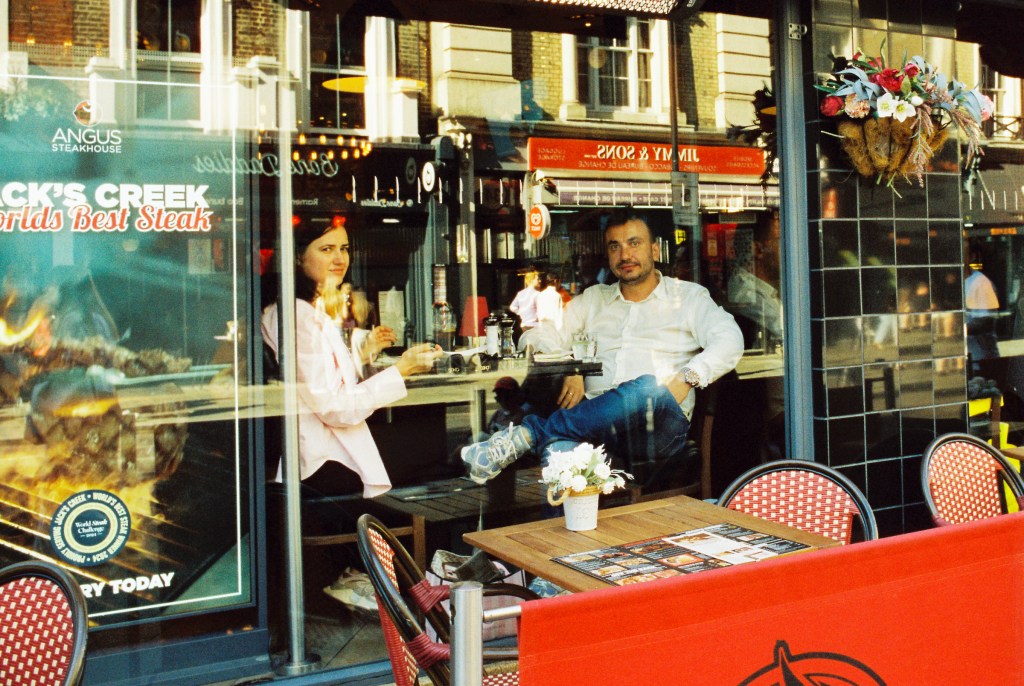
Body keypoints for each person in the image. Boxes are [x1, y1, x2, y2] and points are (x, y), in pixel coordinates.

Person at [462, 209, 744, 484]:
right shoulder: (594, 300)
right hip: (596, 426)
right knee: (560, 455)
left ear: (655, 251)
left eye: (634, 243)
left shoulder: (687, 298)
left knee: (648, 386)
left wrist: (688, 377)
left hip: (657, 428)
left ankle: (528, 435)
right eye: (615, 246)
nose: (625, 255)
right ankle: (562, 529)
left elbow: (730, 339)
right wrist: (571, 365)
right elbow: (538, 335)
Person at [261, 221, 442, 497]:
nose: (339, 258)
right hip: (322, 463)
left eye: (344, 248)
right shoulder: (299, 317)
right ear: (298, 256)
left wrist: (363, 353)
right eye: (327, 249)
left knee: (427, 454)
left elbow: (322, 380)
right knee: (431, 461)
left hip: (321, 457)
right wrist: (401, 370)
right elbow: (336, 407)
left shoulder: (299, 310)